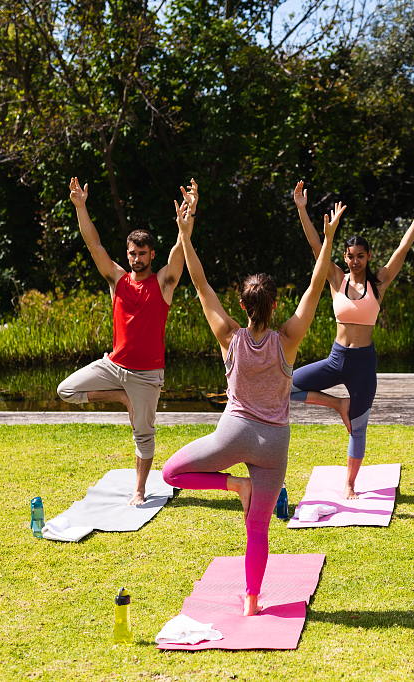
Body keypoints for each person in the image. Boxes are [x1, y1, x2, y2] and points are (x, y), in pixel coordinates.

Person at [162, 180, 343, 617]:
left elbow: (201, 286)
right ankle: (252, 601)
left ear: (242, 304)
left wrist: (186, 233)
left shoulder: (229, 336)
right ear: (275, 303)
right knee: (257, 529)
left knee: (171, 474)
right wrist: (329, 238)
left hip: (233, 435)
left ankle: (233, 485)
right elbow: (318, 285)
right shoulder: (289, 339)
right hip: (274, 446)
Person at [288, 181, 414, 499]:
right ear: (344, 256)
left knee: (359, 426)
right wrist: (301, 209)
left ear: (368, 257)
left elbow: (402, 250)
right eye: (351, 256)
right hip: (336, 358)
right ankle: (338, 403)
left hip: (363, 364)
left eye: (361, 256)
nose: (355, 261)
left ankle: (350, 483)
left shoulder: (379, 281)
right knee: (283, 385)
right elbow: (316, 248)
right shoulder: (335, 277)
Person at [56, 178, 186, 505]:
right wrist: (80, 206)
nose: (136, 258)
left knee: (144, 435)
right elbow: (94, 245)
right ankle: (122, 398)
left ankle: (139, 490)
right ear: (127, 254)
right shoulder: (117, 280)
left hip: (146, 375)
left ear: (151, 254)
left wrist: (186, 223)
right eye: (132, 253)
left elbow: (179, 255)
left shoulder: (163, 283)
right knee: (66, 391)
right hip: (113, 366)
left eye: (142, 253)